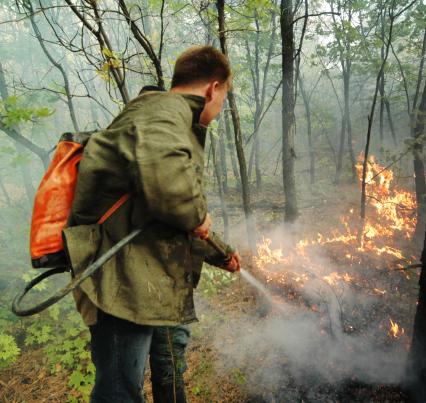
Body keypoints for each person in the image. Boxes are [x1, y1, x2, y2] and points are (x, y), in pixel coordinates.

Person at [65, 45, 241, 403]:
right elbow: (174, 196)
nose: (220, 108)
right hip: (117, 282)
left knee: (157, 371)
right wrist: (199, 215)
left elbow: (167, 217)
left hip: (142, 277)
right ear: (213, 88)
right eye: (223, 98)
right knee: (119, 393)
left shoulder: (165, 119)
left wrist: (221, 253)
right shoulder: (161, 114)